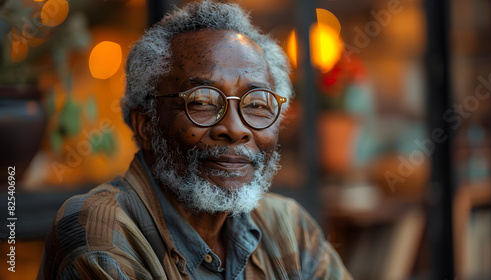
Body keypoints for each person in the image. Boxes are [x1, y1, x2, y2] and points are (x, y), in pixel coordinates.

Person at [37, 1, 352, 279]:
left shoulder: (289, 227)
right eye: (201, 101)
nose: (235, 128)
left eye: (256, 104)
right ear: (146, 124)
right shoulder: (99, 230)